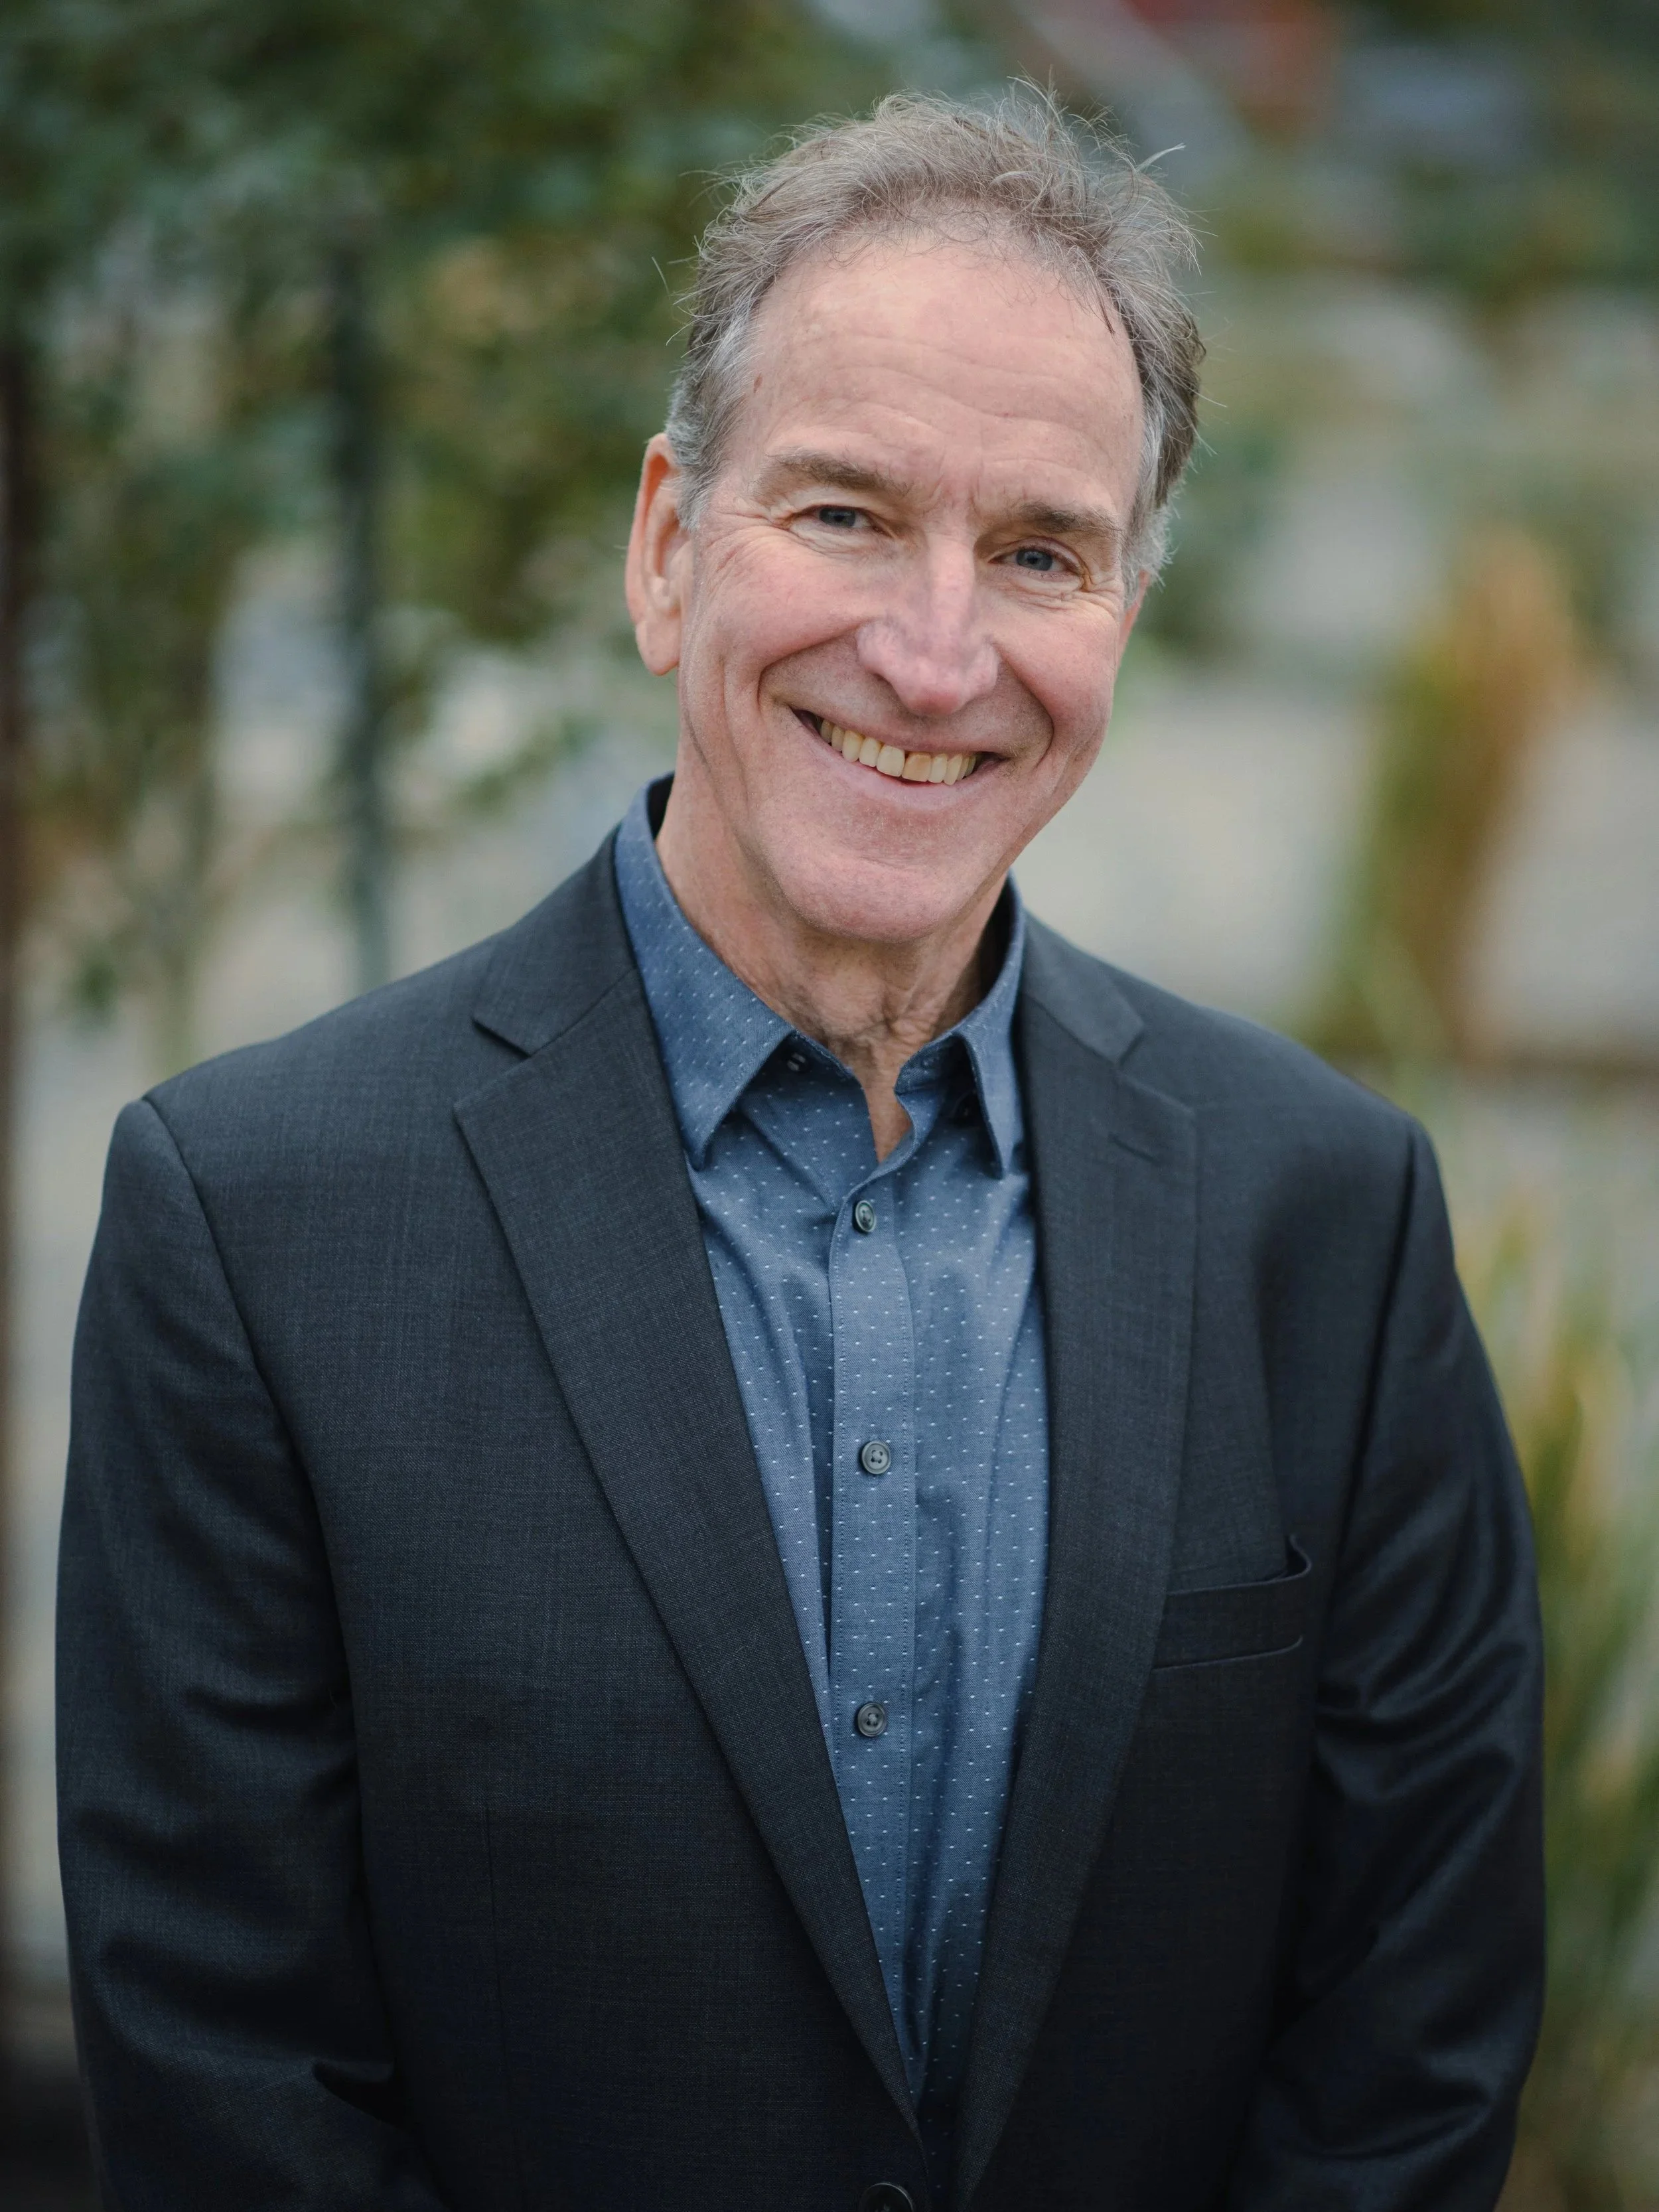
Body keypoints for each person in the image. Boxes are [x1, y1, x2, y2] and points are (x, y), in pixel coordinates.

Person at [57, 92, 1542, 2212]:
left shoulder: (1330, 1216)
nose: (937, 652)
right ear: (668, 546)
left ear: (1122, 609)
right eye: (842, 513)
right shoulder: (258, 1220)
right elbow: (232, 2085)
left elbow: (1410, 2041)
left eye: (1039, 549)